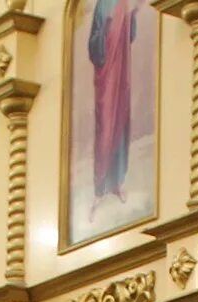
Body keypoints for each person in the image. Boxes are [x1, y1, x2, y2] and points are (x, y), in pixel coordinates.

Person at [87, 0, 140, 204]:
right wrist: (107, 29)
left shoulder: (124, 3)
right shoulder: (102, 5)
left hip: (121, 75)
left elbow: (129, 37)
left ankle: (116, 182)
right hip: (106, 77)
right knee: (105, 128)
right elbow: (94, 45)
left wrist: (132, 16)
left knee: (120, 122)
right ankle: (100, 187)